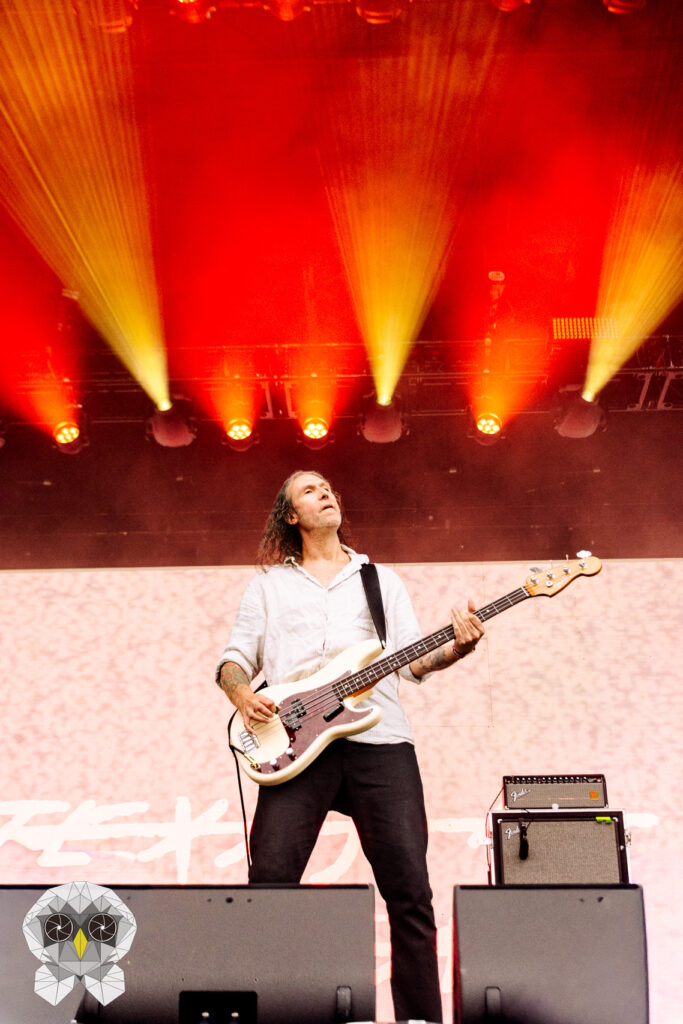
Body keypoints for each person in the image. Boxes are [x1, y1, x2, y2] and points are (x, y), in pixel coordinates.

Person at [216, 470, 484, 1023]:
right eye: (310, 490)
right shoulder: (268, 587)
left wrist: (457, 648)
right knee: (268, 886)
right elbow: (233, 660)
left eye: (329, 488)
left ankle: (420, 1019)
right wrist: (243, 696)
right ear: (291, 516)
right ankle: (262, 1013)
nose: (326, 494)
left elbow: (413, 661)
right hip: (293, 746)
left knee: (410, 891)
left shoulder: (380, 581)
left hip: (379, 741)